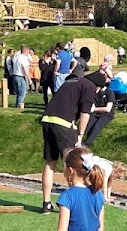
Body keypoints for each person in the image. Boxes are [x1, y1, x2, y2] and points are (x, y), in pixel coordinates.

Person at [39, 68, 97, 213]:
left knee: (50, 162)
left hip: (47, 120)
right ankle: (74, 203)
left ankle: (46, 203)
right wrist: (80, 134)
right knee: (72, 163)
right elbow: (85, 113)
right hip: (63, 124)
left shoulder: (69, 82)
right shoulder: (89, 86)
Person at [83, 64, 116, 146]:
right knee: (87, 125)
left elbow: (108, 109)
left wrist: (94, 109)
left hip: (106, 115)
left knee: (97, 126)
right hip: (95, 113)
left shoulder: (109, 92)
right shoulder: (94, 92)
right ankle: (77, 140)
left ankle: (87, 143)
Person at [14, 45, 32, 111]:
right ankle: (19, 108)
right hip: (20, 76)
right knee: (22, 93)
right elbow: (25, 69)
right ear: (26, 51)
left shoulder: (16, 57)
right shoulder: (24, 58)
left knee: (19, 94)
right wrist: (29, 78)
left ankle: (16, 106)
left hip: (15, 76)